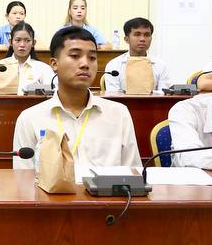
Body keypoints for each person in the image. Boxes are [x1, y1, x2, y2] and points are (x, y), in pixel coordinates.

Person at [13, 26, 141, 171]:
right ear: (54, 64)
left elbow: (134, 174)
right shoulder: (30, 118)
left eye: (92, 58)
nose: (85, 64)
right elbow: (23, 178)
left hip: (109, 187)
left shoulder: (119, 114)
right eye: (75, 56)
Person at [103, 17, 174, 93]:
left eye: (147, 35)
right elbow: (113, 94)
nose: (142, 39)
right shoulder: (114, 65)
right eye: (137, 34)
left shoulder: (161, 65)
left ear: (151, 39)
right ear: (126, 39)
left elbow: (165, 94)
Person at [0, 22, 54, 93]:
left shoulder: (43, 68)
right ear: (10, 42)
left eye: (27, 40)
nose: (22, 45)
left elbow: (52, 93)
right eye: (18, 40)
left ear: (33, 43)